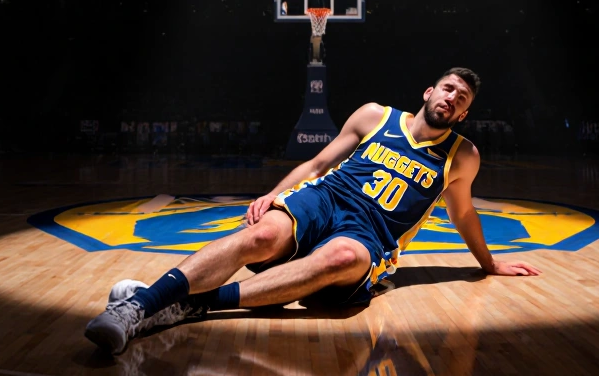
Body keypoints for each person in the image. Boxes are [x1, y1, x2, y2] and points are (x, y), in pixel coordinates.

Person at [84, 68, 542, 354]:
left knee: (341, 258)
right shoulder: (375, 116)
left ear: (462, 115)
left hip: (370, 232)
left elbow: (463, 215)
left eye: (462, 100)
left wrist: (490, 263)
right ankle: (137, 307)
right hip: (325, 198)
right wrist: (271, 195)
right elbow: (319, 163)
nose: (452, 98)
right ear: (429, 91)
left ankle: (183, 304)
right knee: (261, 235)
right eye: (448, 89)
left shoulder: (463, 156)